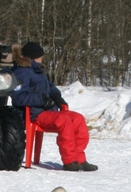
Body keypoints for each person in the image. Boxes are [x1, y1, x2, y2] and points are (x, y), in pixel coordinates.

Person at [11, 41, 97, 172]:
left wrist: (57, 97)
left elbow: (51, 87)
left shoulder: (37, 71)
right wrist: (42, 100)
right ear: (34, 57)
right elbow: (18, 97)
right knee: (65, 121)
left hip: (48, 111)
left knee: (78, 119)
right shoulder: (21, 72)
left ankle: (79, 159)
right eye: (40, 55)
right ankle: (69, 161)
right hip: (35, 114)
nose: (42, 58)